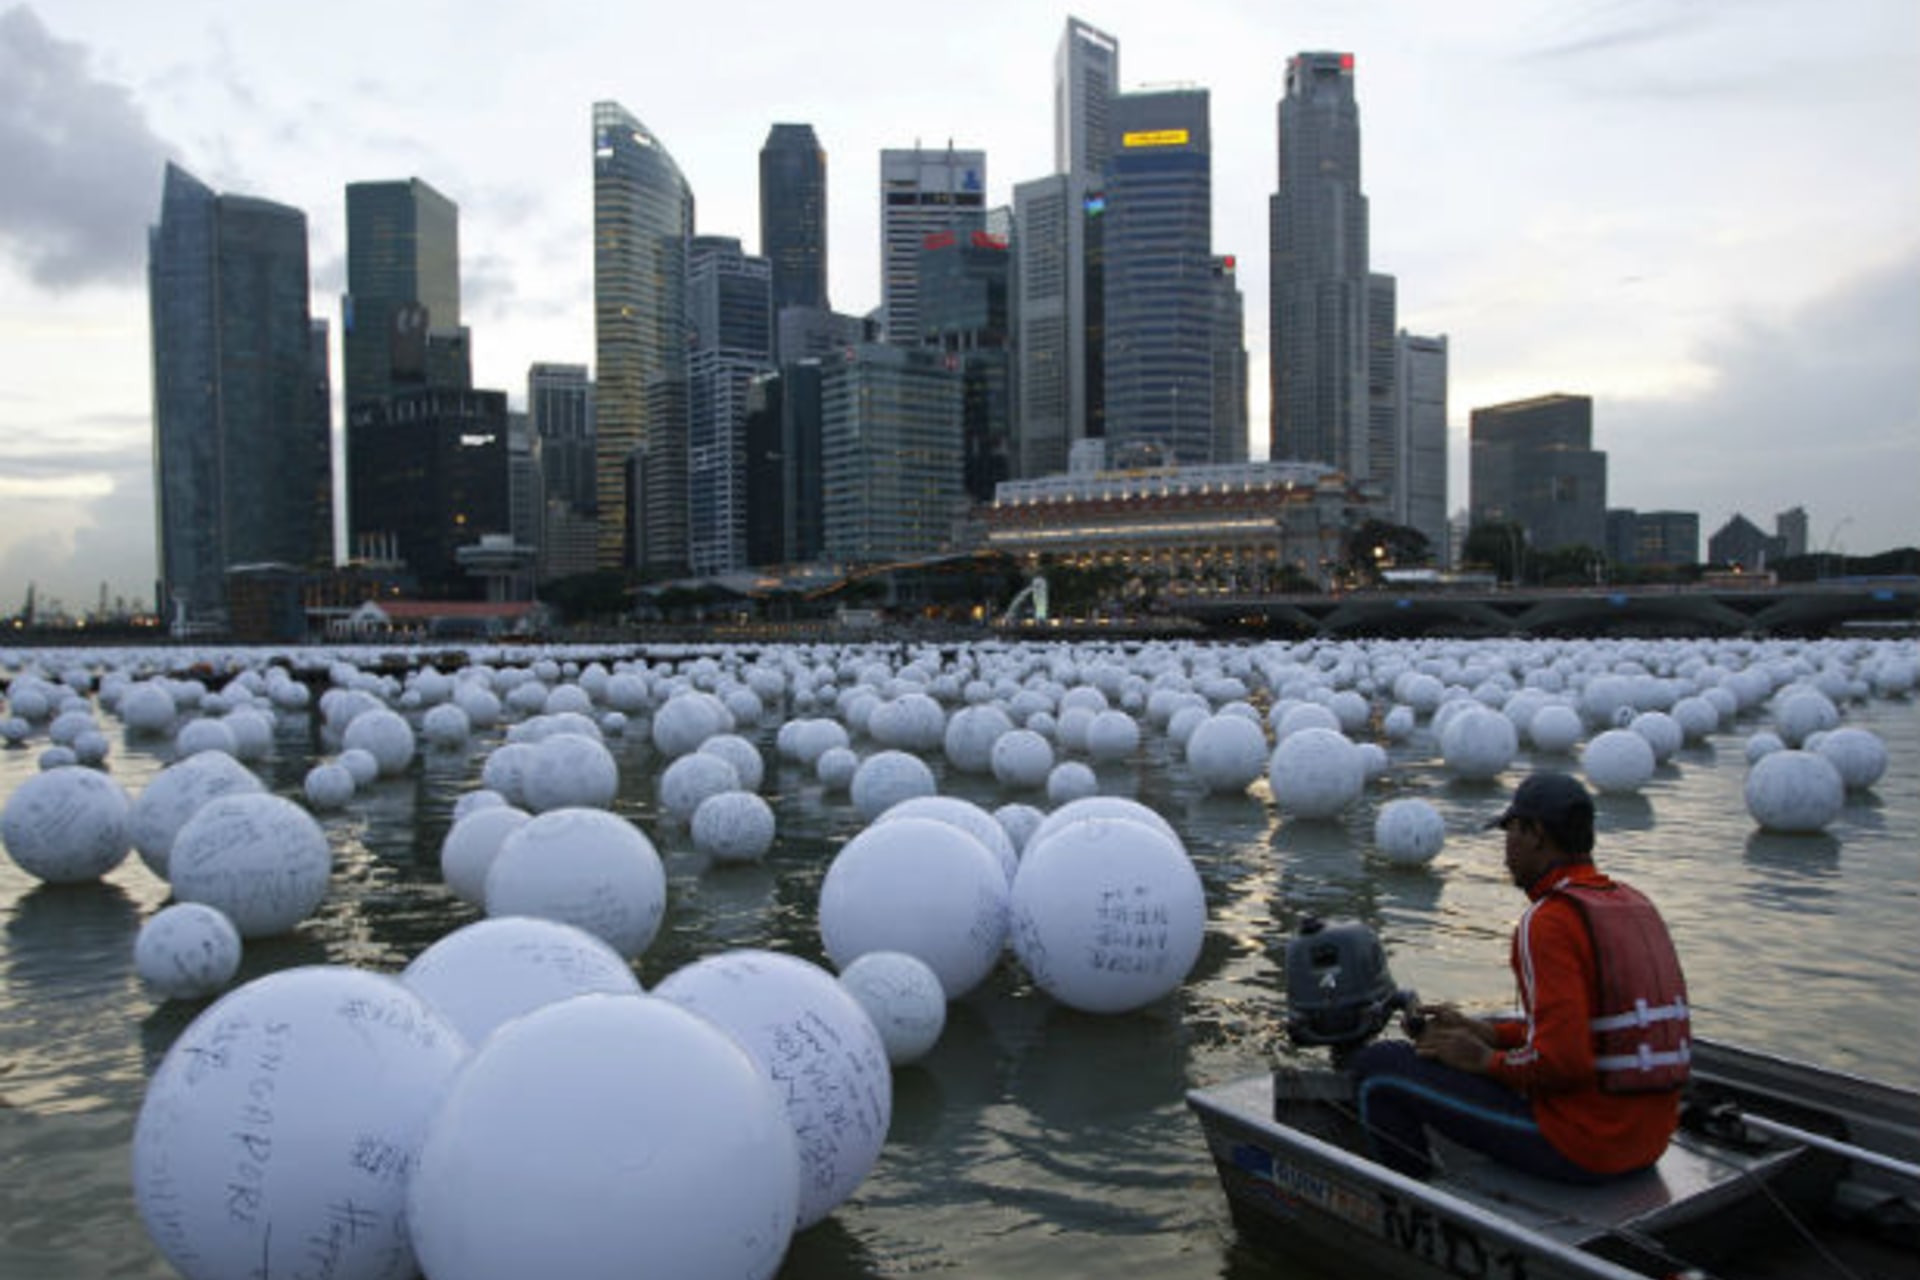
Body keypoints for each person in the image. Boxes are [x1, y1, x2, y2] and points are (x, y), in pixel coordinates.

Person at [1349, 770, 1690, 1183]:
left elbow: (1561, 1062)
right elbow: (1585, 1027)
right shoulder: (1634, 903)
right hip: (1648, 1142)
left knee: (1377, 1069)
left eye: (1510, 832)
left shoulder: (1549, 920)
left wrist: (1483, 1060)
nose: (1505, 849)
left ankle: (1412, 1212)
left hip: (1587, 1147)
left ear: (1536, 834)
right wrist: (1487, 1034)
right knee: (1490, 1027)